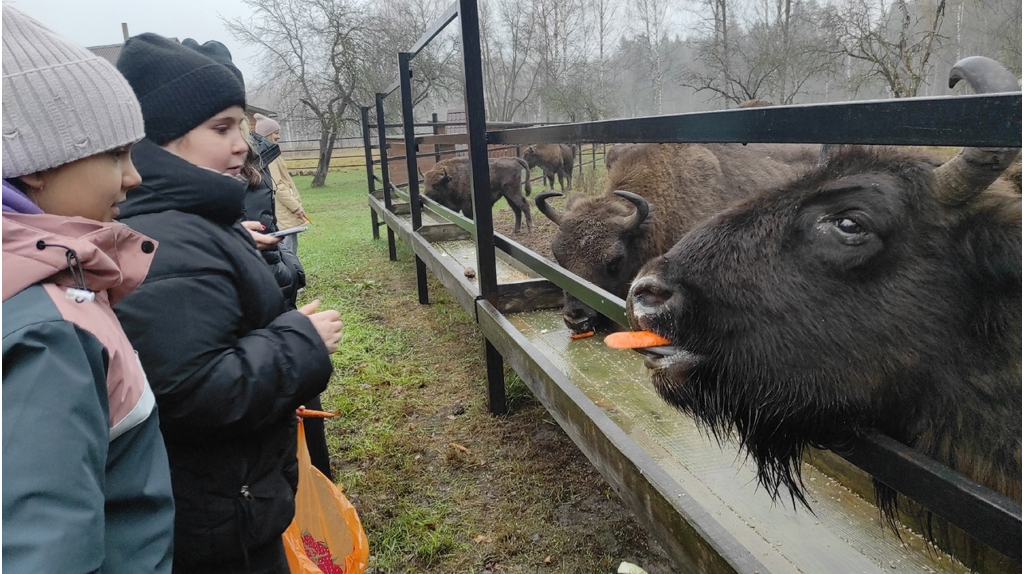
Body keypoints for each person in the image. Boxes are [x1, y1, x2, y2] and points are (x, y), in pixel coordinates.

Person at [113, 32, 342, 573]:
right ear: (161, 140)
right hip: (218, 526)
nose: (242, 142)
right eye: (222, 128)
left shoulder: (196, 220)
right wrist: (300, 343)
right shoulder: (167, 243)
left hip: (229, 506)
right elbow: (191, 392)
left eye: (240, 124)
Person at [1, 6, 175, 572]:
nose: (134, 176)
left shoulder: (57, 286)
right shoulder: (46, 329)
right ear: (34, 166)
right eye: (114, 153)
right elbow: (48, 552)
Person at [255, 113, 307, 259]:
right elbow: (277, 185)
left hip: (284, 210)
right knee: (288, 251)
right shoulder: (269, 157)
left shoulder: (271, 152)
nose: (278, 137)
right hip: (283, 212)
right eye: (276, 133)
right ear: (267, 134)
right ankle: (291, 279)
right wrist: (295, 206)